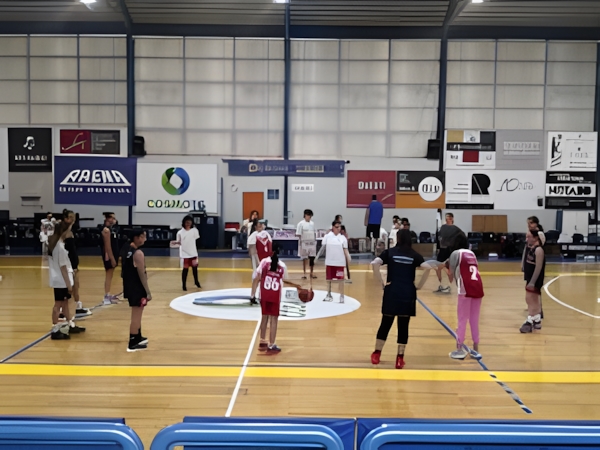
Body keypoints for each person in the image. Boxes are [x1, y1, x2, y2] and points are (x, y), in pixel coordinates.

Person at [370, 229, 430, 369]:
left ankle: (377, 354)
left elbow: (375, 263)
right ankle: (399, 358)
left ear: (398, 238)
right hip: (408, 293)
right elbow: (427, 268)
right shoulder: (414, 255)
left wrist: (381, 282)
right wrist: (419, 286)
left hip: (392, 291)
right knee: (403, 326)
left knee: (385, 323)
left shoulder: (390, 252)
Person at [445, 232, 484, 360]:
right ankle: (476, 349)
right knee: (474, 320)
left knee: (462, 319)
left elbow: (451, 275)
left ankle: (459, 349)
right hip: (478, 288)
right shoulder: (472, 254)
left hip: (465, 290)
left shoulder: (455, 253)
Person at [250, 245, 289, 355]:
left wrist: (252, 295)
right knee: (274, 320)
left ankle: (262, 341)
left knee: (264, 317)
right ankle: (271, 344)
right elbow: (285, 280)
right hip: (275, 295)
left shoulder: (264, 262)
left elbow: (256, 278)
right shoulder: (282, 266)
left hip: (264, 294)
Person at [122, 229, 151, 352]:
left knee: (137, 313)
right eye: (143, 236)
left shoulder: (127, 249)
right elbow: (141, 273)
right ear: (137, 237)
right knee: (136, 315)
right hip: (137, 287)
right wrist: (147, 291)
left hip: (129, 286)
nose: (145, 239)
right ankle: (133, 341)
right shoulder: (138, 253)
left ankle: (138, 336)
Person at [47, 219, 76, 340]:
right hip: (61, 280)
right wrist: (69, 285)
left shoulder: (55, 244)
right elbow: (63, 268)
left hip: (58, 279)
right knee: (58, 304)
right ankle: (55, 329)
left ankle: (69, 323)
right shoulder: (59, 247)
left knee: (64, 303)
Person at [62, 210, 91, 319]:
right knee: (69, 287)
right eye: (70, 217)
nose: (73, 219)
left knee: (76, 285)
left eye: (73, 217)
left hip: (74, 262)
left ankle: (77, 305)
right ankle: (64, 310)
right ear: (65, 219)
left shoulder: (72, 230)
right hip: (68, 262)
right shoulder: (62, 231)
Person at [318, 220, 350, 303]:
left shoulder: (343, 238)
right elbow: (322, 248)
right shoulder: (327, 237)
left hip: (340, 263)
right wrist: (317, 257)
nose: (338, 229)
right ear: (333, 227)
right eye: (336, 227)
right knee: (329, 279)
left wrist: (348, 258)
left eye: (339, 227)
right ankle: (329, 295)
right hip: (329, 262)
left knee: (341, 280)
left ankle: (342, 296)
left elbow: (345, 250)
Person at [520, 229, 545, 333]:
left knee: (531, 299)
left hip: (535, 280)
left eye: (529, 237)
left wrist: (533, 282)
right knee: (531, 299)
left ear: (535, 238)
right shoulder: (531, 248)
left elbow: (538, 267)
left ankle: (530, 318)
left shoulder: (538, 250)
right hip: (530, 278)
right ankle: (536, 319)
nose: (527, 239)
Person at [434, 212, 462, 294]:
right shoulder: (441, 229)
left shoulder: (456, 230)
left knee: (448, 269)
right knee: (438, 268)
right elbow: (438, 239)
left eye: (449, 218)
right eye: (446, 218)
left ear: (452, 219)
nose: (447, 220)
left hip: (450, 252)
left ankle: (448, 286)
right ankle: (441, 285)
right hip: (442, 252)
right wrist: (438, 248)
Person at [175, 215, 201, 291]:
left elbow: (196, 240)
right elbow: (178, 242)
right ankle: (184, 285)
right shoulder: (180, 232)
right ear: (184, 223)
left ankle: (196, 281)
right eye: (187, 222)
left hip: (193, 253)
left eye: (189, 222)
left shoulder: (194, 231)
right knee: (185, 269)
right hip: (185, 254)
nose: (188, 224)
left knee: (195, 268)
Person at [101, 212, 120, 305]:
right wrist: (112, 259)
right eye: (112, 218)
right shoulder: (106, 230)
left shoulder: (112, 229)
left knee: (111, 275)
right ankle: (106, 296)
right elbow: (108, 246)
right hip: (108, 256)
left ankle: (108, 293)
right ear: (107, 219)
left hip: (114, 254)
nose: (114, 220)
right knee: (108, 275)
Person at [296, 209, 317, 279]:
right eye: (308, 215)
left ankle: (311, 272)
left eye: (310, 216)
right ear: (305, 215)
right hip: (304, 243)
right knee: (304, 258)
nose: (309, 217)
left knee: (312, 258)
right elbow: (298, 234)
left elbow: (314, 232)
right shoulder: (300, 224)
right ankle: (304, 273)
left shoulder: (312, 224)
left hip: (312, 243)